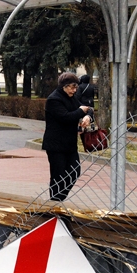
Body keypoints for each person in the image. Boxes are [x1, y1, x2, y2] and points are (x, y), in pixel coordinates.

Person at [41, 72, 92, 202]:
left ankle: (59, 199)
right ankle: (55, 201)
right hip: (55, 144)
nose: (74, 91)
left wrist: (87, 116)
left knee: (74, 172)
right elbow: (65, 117)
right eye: (72, 87)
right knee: (58, 176)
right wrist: (81, 111)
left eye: (76, 88)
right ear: (64, 86)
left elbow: (87, 108)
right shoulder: (54, 99)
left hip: (70, 144)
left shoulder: (72, 97)